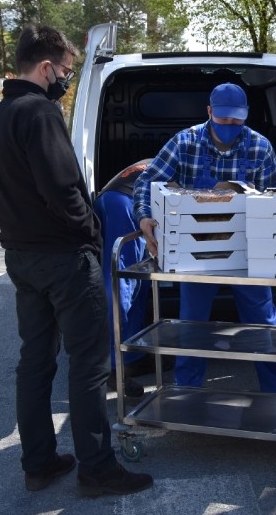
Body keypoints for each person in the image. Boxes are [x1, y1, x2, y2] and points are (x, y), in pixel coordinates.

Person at [0, 24, 152, 498]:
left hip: (21, 257)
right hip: (63, 259)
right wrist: (89, 232)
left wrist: (20, 231)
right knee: (89, 364)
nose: (66, 80)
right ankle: (98, 469)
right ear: (45, 67)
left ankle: (39, 463)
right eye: (66, 72)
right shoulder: (39, 112)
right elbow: (63, 190)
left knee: (35, 361)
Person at [133, 82, 276, 394]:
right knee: (192, 324)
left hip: (247, 251)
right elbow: (148, 180)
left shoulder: (259, 147)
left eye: (237, 121)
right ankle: (187, 388)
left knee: (263, 322)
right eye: (223, 120)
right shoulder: (185, 142)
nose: (230, 127)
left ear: (246, 116)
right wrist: (143, 216)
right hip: (198, 252)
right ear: (209, 112)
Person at [94, 158, 161, 399]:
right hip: (123, 204)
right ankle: (112, 367)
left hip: (116, 199)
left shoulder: (165, 155)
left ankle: (133, 357)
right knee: (122, 282)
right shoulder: (187, 160)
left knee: (139, 283)